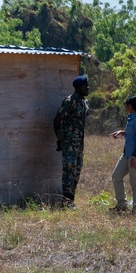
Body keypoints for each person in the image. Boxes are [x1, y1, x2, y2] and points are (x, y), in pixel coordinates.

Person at [109, 95, 136, 216]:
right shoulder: (132, 117)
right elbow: (133, 134)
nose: (124, 106)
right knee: (116, 176)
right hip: (127, 155)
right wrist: (123, 132)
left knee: (135, 183)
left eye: (125, 104)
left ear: (130, 106)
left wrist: (134, 156)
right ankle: (122, 205)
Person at [53, 75, 90, 208]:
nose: (88, 88)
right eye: (85, 85)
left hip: (79, 143)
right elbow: (57, 120)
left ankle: (70, 200)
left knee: (77, 171)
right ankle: (65, 202)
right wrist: (60, 138)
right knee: (69, 171)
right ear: (79, 87)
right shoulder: (70, 101)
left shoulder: (84, 102)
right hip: (69, 143)